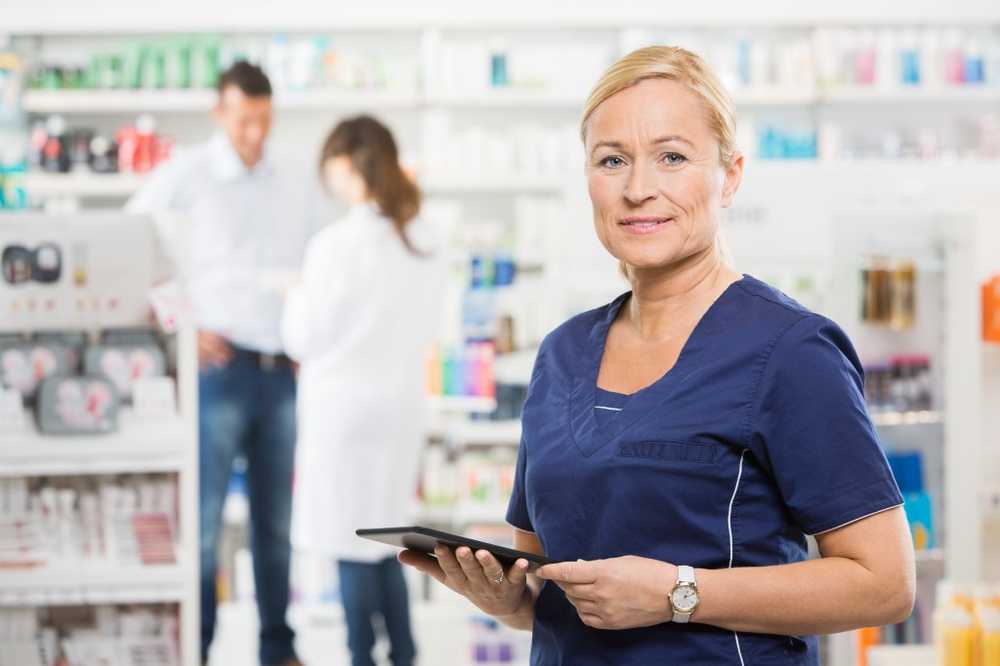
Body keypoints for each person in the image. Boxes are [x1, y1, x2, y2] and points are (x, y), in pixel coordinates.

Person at [399, 46, 915, 665]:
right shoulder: (562, 354)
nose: (638, 189)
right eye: (612, 160)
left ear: (730, 174)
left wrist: (678, 593)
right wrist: (511, 602)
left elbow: (884, 583)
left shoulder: (790, 350)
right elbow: (554, 582)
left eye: (672, 157)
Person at [127, 61, 310, 666]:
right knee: (203, 527)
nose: (254, 133)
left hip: (281, 370)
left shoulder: (292, 178)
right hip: (219, 370)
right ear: (219, 113)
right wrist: (181, 326)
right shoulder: (187, 176)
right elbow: (129, 245)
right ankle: (197, 649)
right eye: (242, 120)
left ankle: (277, 649)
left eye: (263, 120)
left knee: (276, 528)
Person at [281, 115, 445, 666]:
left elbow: (302, 337)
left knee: (349, 543)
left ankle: (361, 657)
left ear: (349, 164)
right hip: (399, 406)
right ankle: (404, 653)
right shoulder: (424, 238)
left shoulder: (335, 244)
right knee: (387, 541)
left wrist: (295, 295)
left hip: (343, 411)